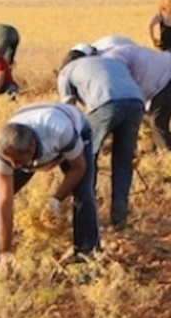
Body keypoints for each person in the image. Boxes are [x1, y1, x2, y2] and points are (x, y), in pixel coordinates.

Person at [0, 102, 99, 266]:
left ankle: (86, 258)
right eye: (10, 162)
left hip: (73, 131)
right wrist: (6, 253)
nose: (14, 167)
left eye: (18, 161)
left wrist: (56, 199)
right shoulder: (3, 154)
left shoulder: (59, 131)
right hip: (31, 135)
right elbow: (4, 203)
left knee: (83, 192)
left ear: (31, 148)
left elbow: (78, 168)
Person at [58, 50, 146, 230]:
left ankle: (85, 216)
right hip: (136, 103)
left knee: (86, 159)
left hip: (106, 103)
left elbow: (69, 113)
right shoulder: (107, 61)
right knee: (123, 162)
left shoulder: (67, 72)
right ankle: (119, 218)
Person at [101, 43, 171, 152]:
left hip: (170, 76)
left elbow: (131, 98)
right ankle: (156, 149)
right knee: (155, 118)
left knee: (158, 122)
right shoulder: (118, 53)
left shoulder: (112, 63)